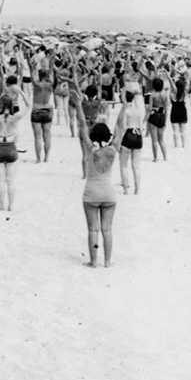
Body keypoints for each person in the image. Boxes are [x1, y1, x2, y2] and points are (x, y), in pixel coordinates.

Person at [76, 103, 118, 268]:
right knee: (107, 230)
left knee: (93, 230)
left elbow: (82, 124)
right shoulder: (112, 151)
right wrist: (123, 105)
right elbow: (120, 126)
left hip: (91, 193)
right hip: (109, 194)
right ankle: (107, 262)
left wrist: (80, 106)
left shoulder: (89, 149)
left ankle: (93, 261)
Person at [26, 50, 55, 164]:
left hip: (37, 110)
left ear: (39, 75)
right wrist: (52, 59)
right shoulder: (50, 84)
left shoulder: (36, 85)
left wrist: (29, 59)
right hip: (47, 110)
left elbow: (31, 70)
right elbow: (52, 70)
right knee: (47, 136)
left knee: (37, 137)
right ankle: (46, 157)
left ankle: (38, 159)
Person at [115, 90, 144, 194]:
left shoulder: (125, 110)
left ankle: (126, 189)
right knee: (136, 166)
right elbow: (141, 126)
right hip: (138, 135)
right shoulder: (138, 110)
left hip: (128, 135)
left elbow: (123, 127)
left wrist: (119, 143)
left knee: (123, 165)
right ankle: (137, 190)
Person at [145, 76, 170, 162]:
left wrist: (145, 120)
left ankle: (155, 158)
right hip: (162, 114)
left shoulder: (152, 96)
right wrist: (165, 119)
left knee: (154, 140)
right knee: (161, 139)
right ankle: (165, 157)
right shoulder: (165, 95)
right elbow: (166, 109)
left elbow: (149, 108)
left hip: (154, 114)